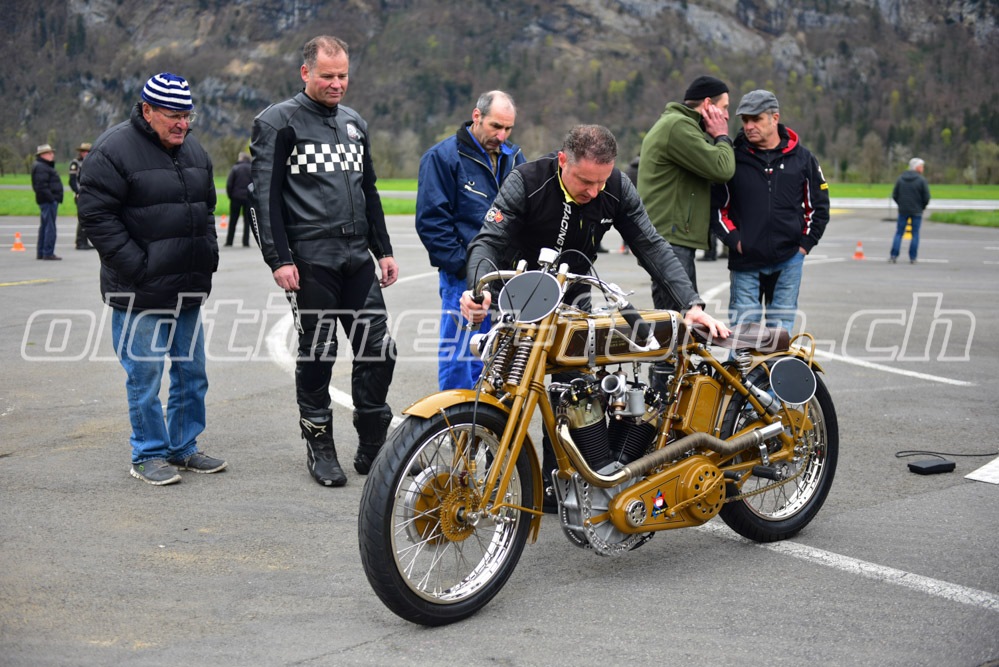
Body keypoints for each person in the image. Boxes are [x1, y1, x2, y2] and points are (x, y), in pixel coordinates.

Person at [460, 124, 731, 512]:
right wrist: (479, 289)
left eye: (601, 181)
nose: (594, 191)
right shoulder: (527, 180)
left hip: (574, 293)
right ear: (563, 161)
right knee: (505, 386)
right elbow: (488, 240)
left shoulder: (616, 187)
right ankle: (483, 478)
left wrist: (691, 303)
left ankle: (559, 487)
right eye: (586, 181)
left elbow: (651, 245)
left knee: (574, 391)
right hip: (521, 293)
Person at [250, 35, 398, 488]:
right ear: (306, 73)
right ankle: (320, 446)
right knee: (319, 352)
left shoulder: (354, 123)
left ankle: (371, 443)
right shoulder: (278, 122)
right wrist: (278, 259)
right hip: (310, 258)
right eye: (327, 75)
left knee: (379, 350)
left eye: (343, 75)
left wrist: (384, 249)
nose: (337, 83)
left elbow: (368, 191)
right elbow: (264, 198)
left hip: (357, 256)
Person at [78, 72, 226, 486]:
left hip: (188, 286)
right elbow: (96, 217)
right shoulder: (112, 150)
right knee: (145, 378)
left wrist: (208, 255)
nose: (183, 124)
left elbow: (207, 209)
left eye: (187, 115)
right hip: (138, 291)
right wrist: (139, 267)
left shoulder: (194, 150)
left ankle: (183, 447)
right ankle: (147, 454)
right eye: (173, 115)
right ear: (147, 110)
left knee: (192, 374)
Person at [415, 90, 525, 390]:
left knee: (500, 359)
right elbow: (432, 224)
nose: (502, 136)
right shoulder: (442, 158)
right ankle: (455, 419)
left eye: (508, 128)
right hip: (463, 279)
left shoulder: (515, 157)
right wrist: (467, 270)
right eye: (495, 126)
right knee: (460, 359)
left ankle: (489, 419)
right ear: (477, 116)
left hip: (507, 277)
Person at [714, 90, 830, 333]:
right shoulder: (732, 159)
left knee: (780, 337)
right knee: (744, 336)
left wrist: (804, 245)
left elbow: (818, 206)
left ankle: (775, 362)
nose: (749, 126)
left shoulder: (803, 158)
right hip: (745, 261)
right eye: (745, 120)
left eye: (756, 119)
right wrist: (735, 240)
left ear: (774, 118)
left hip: (789, 260)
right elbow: (716, 207)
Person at [637, 75, 735, 304]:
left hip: (670, 237)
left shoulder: (680, 125)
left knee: (682, 315)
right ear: (708, 104)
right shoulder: (678, 126)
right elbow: (722, 169)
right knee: (679, 316)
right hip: (670, 239)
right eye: (724, 107)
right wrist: (722, 136)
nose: (727, 115)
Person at [890, 157, 931, 264]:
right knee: (915, 234)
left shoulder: (901, 179)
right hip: (917, 210)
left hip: (903, 210)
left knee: (899, 233)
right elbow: (926, 197)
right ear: (917, 167)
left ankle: (894, 255)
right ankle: (913, 257)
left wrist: (901, 204)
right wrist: (922, 206)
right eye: (921, 166)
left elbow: (895, 195)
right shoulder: (921, 180)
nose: (923, 168)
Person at [31, 143, 64, 261]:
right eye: (49, 153)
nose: (52, 155)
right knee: (50, 227)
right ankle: (48, 252)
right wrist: (52, 198)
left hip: (46, 200)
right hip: (48, 201)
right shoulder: (42, 167)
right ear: (43, 155)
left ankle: (42, 252)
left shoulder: (42, 166)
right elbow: (41, 186)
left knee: (45, 226)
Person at [69, 142, 95, 250]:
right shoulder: (76, 163)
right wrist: (78, 192)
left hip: (89, 194)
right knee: (82, 218)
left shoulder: (91, 162)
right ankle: (80, 241)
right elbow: (72, 181)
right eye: (83, 151)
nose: (85, 153)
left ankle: (84, 241)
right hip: (80, 194)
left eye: (87, 151)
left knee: (87, 218)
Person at [225, 152, 254, 247]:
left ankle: (229, 241)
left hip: (236, 198)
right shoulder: (252, 168)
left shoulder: (235, 168)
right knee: (247, 221)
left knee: (233, 220)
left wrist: (230, 195)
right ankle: (246, 242)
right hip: (248, 198)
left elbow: (229, 184)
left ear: (241, 158)